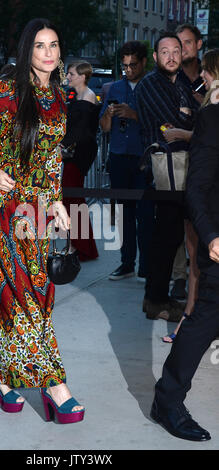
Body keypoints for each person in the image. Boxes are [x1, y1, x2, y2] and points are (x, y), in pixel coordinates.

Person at [0, 18, 85, 423]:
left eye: (54, 45)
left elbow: (49, 160)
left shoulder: (59, 96)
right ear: (27, 51)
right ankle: (54, 385)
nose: (49, 52)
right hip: (7, 202)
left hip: (40, 205)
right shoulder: (7, 89)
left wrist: (58, 202)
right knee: (24, 291)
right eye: (40, 46)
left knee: (32, 291)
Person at [151, 86, 219, 442]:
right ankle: (168, 400)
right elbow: (197, 187)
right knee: (205, 320)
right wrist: (210, 236)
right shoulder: (212, 118)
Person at [136, 32, 197, 322]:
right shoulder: (149, 84)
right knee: (166, 235)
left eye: (176, 50)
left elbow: (194, 115)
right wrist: (188, 117)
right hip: (166, 165)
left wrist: (187, 116)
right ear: (156, 56)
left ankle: (159, 296)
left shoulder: (182, 81)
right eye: (164, 52)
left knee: (173, 235)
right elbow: (174, 123)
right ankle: (155, 298)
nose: (171, 56)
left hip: (185, 164)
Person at [162, 48, 219, 342]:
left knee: (197, 260)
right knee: (195, 258)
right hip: (204, 204)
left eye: (207, 72)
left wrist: (185, 135)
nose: (202, 77)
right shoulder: (206, 106)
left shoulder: (210, 110)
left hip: (206, 204)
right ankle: (189, 320)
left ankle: (189, 323)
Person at [100, 41, 154, 282]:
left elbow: (160, 123)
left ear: (143, 62)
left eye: (133, 65)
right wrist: (109, 115)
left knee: (145, 215)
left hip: (145, 158)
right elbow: (103, 127)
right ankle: (126, 263)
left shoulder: (153, 85)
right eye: (125, 66)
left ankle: (146, 266)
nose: (129, 70)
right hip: (119, 155)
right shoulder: (115, 88)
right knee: (123, 213)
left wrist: (134, 115)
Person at [170, 23, 207, 301]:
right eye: (178, 44)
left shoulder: (210, 76)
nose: (183, 49)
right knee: (180, 227)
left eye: (188, 43)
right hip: (180, 161)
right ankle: (180, 278)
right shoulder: (171, 79)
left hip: (207, 161)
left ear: (199, 44)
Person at [61, 61, 99, 261]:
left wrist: (63, 145)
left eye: (72, 74)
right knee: (72, 198)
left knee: (73, 198)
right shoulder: (78, 96)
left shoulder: (88, 96)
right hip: (74, 150)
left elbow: (81, 130)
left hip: (79, 152)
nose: (68, 77)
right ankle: (82, 246)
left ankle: (82, 247)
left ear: (83, 76)